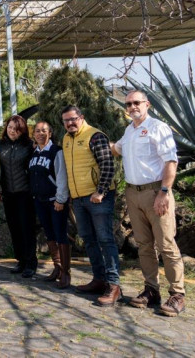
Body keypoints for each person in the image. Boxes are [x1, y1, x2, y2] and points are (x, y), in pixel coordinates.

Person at [112, 90, 185, 316]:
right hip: (133, 193)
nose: (132, 107)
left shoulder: (158, 128)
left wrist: (164, 192)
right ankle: (151, 290)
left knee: (166, 244)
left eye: (136, 102)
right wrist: (92, 141)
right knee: (144, 245)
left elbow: (171, 162)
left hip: (155, 192)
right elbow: (116, 149)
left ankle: (177, 294)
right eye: (128, 104)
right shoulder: (129, 130)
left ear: (147, 104)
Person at [61, 105, 121, 306]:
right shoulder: (66, 139)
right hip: (78, 198)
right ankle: (99, 279)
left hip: (98, 197)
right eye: (66, 120)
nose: (70, 123)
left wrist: (101, 191)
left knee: (105, 239)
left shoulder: (95, 136)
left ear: (81, 117)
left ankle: (113, 285)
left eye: (73, 119)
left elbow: (108, 165)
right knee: (88, 239)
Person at [28, 121, 71, 288]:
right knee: (50, 235)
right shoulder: (34, 153)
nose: (40, 134)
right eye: (37, 131)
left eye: (44, 131)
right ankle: (57, 268)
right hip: (40, 200)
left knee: (60, 234)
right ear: (34, 134)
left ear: (50, 133)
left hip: (55, 201)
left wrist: (61, 199)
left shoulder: (56, 151)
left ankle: (66, 273)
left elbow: (61, 176)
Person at [0, 115, 37, 278]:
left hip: (25, 193)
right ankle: (20, 260)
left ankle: (31, 262)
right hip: (8, 193)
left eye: (16, 129)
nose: (12, 131)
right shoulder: (0, 145)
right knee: (14, 228)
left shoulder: (29, 145)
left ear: (22, 131)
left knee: (27, 228)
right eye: (10, 127)